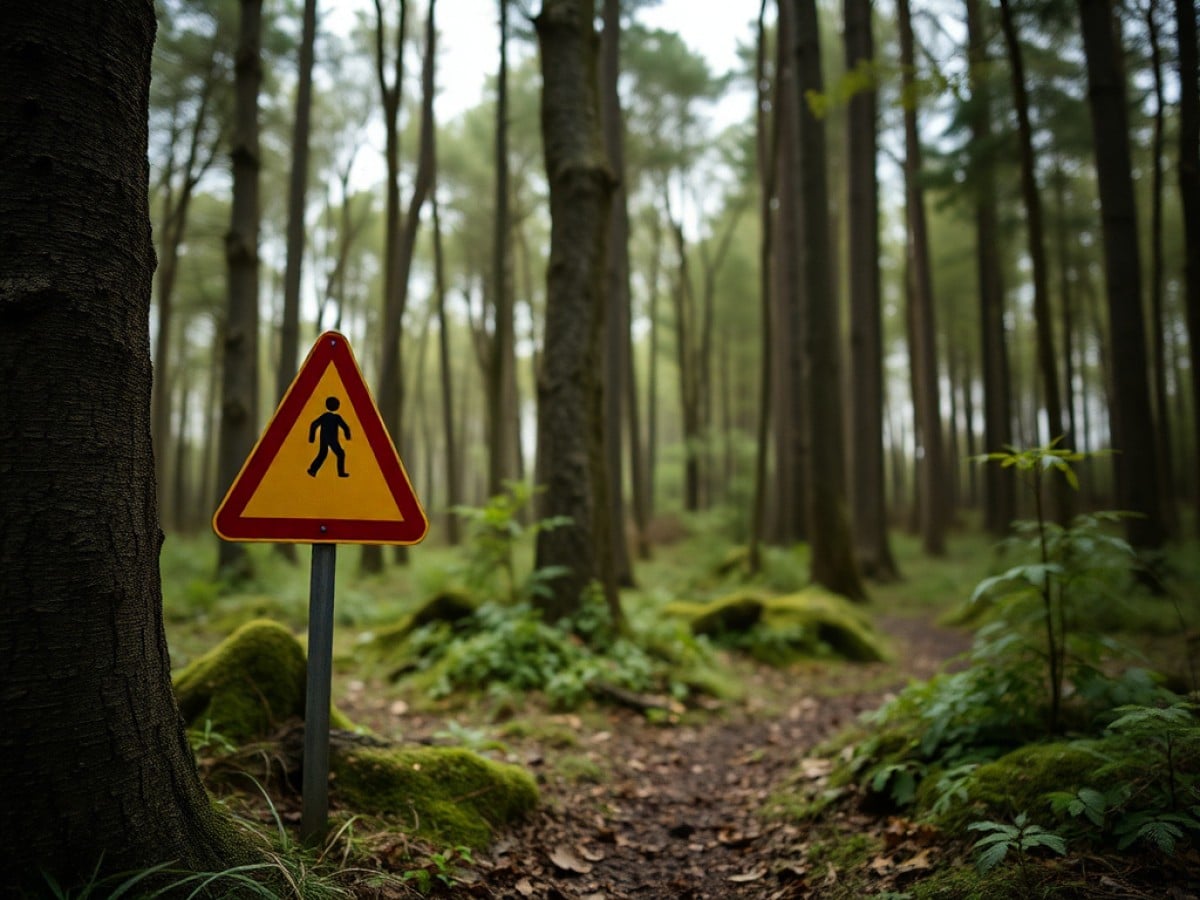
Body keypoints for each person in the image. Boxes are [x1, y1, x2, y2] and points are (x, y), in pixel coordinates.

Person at [307, 396, 350, 478]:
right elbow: (345, 427)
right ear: (337, 406)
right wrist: (347, 436)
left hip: (324, 438)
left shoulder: (324, 416)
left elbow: (314, 425)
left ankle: (312, 470)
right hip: (332, 439)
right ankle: (340, 473)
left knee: (323, 454)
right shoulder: (336, 417)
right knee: (340, 454)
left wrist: (311, 438)